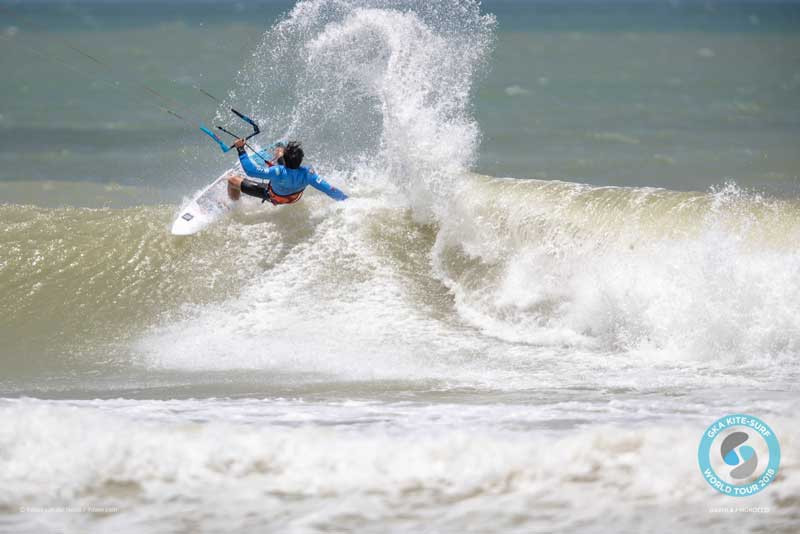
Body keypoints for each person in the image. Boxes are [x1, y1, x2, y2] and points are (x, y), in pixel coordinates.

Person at [227, 139, 348, 204]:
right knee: (283, 160)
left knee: (232, 180)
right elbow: (330, 190)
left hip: (274, 197)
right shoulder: (308, 174)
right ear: (301, 159)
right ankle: (280, 152)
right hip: (294, 197)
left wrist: (241, 149)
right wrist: (346, 200)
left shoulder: (277, 171)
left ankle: (235, 204)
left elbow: (250, 171)